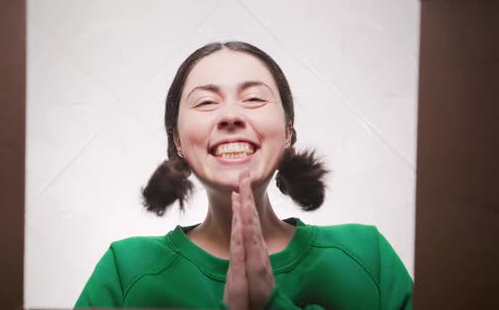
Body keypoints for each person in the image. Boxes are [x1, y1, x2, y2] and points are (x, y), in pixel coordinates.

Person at [74, 41, 413, 309]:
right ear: (177, 140)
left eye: (253, 98)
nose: (230, 115)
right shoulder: (125, 270)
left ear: (287, 132)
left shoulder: (369, 255)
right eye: (206, 102)